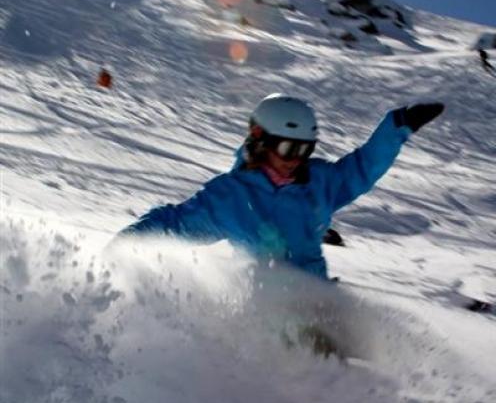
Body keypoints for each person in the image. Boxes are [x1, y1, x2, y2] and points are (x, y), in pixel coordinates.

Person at [117, 94, 444, 280]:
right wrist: (125, 247)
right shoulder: (231, 196)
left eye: (306, 149)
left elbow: (362, 167)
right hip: (266, 310)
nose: (297, 159)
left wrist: (396, 128)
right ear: (259, 139)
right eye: (289, 148)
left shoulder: (319, 182)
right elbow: (174, 223)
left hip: (316, 301)